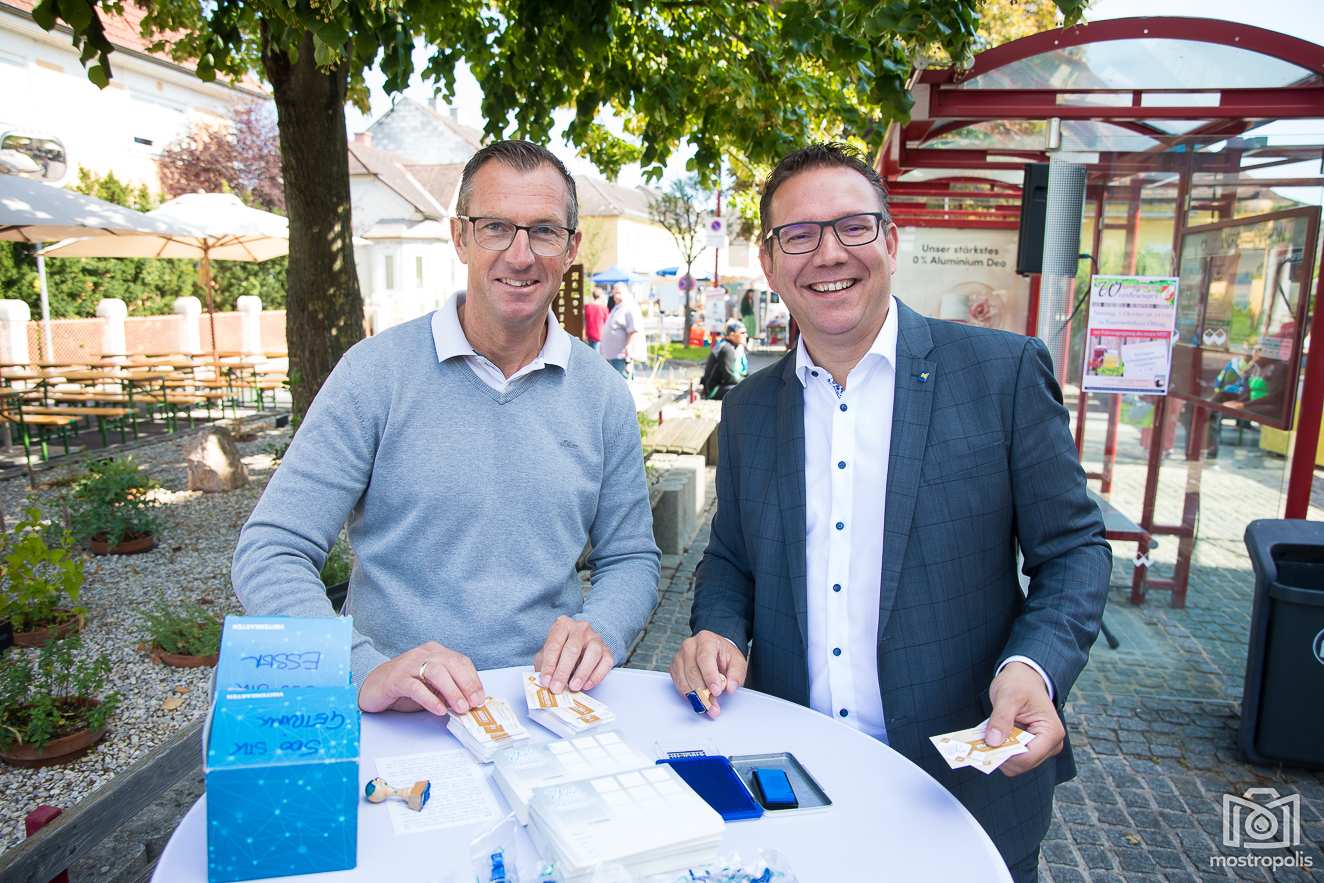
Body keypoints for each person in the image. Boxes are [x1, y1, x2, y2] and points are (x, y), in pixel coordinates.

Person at [668, 143, 1110, 882]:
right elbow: (732, 559)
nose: (828, 253)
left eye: (853, 227)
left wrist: (1035, 665)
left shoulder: (1001, 373)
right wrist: (715, 624)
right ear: (771, 264)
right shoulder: (747, 409)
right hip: (797, 786)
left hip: (963, 789)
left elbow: (1073, 548)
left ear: (891, 241)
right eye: (799, 235)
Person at [233, 140, 660, 718]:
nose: (520, 254)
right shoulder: (375, 374)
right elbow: (272, 549)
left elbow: (631, 557)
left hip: (548, 711)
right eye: (495, 228)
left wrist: (602, 628)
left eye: (544, 231)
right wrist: (363, 668)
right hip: (401, 715)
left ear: (571, 247)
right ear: (459, 237)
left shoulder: (602, 393)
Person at [601, 283, 643, 379]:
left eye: (619, 293)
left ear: (626, 293)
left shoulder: (629, 307)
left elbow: (634, 330)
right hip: (611, 355)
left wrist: (629, 347)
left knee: (621, 382)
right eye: (614, 293)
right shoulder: (617, 307)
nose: (616, 296)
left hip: (620, 355)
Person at [700, 319, 748, 400]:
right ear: (731, 335)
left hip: (724, 385)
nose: (745, 335)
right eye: (742, 333)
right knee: (748, 391)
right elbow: (730, 378)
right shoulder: (726, 349)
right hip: (714, 390)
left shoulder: (733, 347)